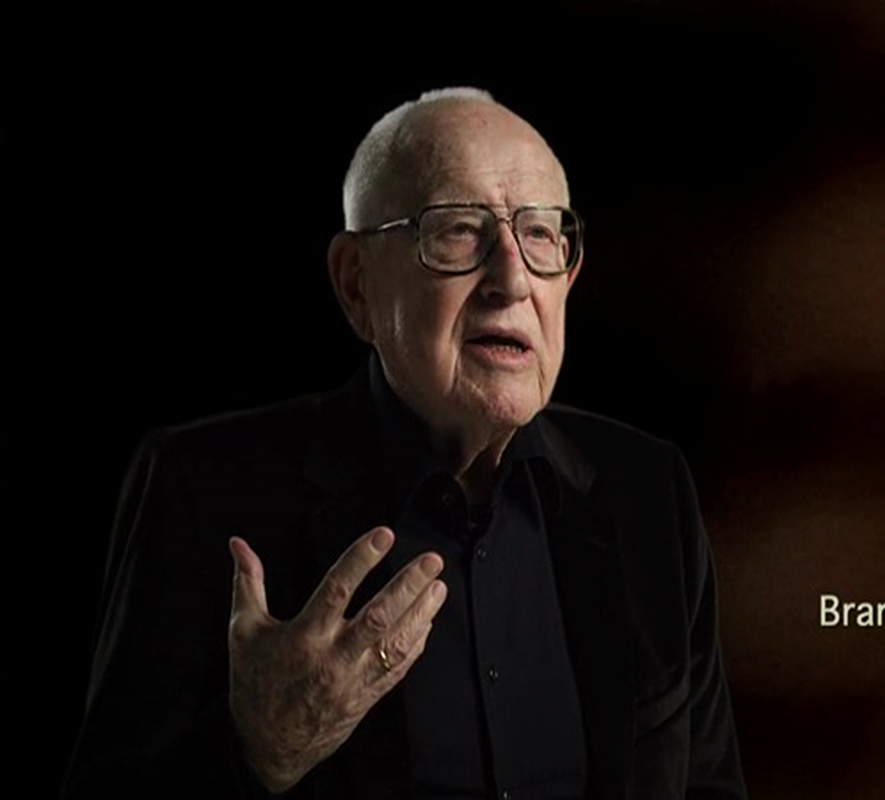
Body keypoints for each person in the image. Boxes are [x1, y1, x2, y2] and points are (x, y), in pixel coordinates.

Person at [63, 87, 747, 799]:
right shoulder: (204, 492)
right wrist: (258, 750)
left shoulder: (648, 491)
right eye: (458, 231)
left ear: (567, 275)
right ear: (356, 284)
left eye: (541, 234)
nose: (512, 279)